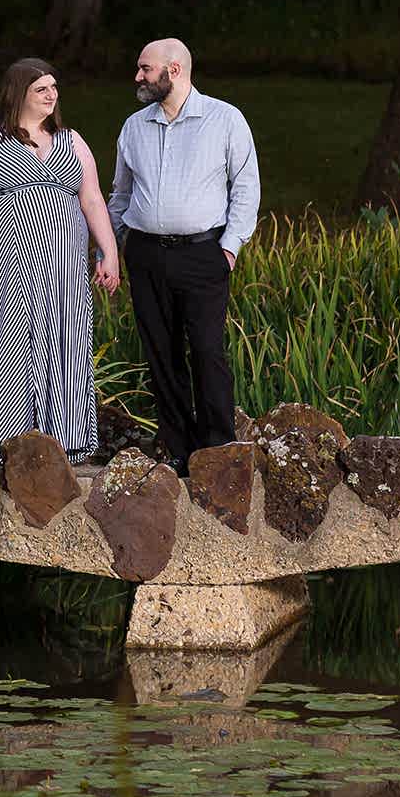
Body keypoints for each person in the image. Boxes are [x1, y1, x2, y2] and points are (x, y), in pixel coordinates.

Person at [0, 57, 121, 465]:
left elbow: (91, 199)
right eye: (41, 89)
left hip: (66, 268)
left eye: (54, 88)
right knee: (10, 344)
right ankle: (2, 438)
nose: (52, 95)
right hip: (11, 264)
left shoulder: (72, 141)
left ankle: (65, 440)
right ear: (19, 93)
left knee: (66, 343)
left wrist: (110, 252)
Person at [106, 38, 260, 477]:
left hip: (202, 255)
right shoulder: (135, 127)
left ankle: (216, 450)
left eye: (145, 69)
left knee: (208, 351)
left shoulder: (224, 120)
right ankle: (178, 449)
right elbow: (120, 193)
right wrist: (117, 244)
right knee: (161, 354)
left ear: (173, 71)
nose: (138, 77)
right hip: (146, 255)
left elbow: (246, 188)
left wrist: (229, 248)